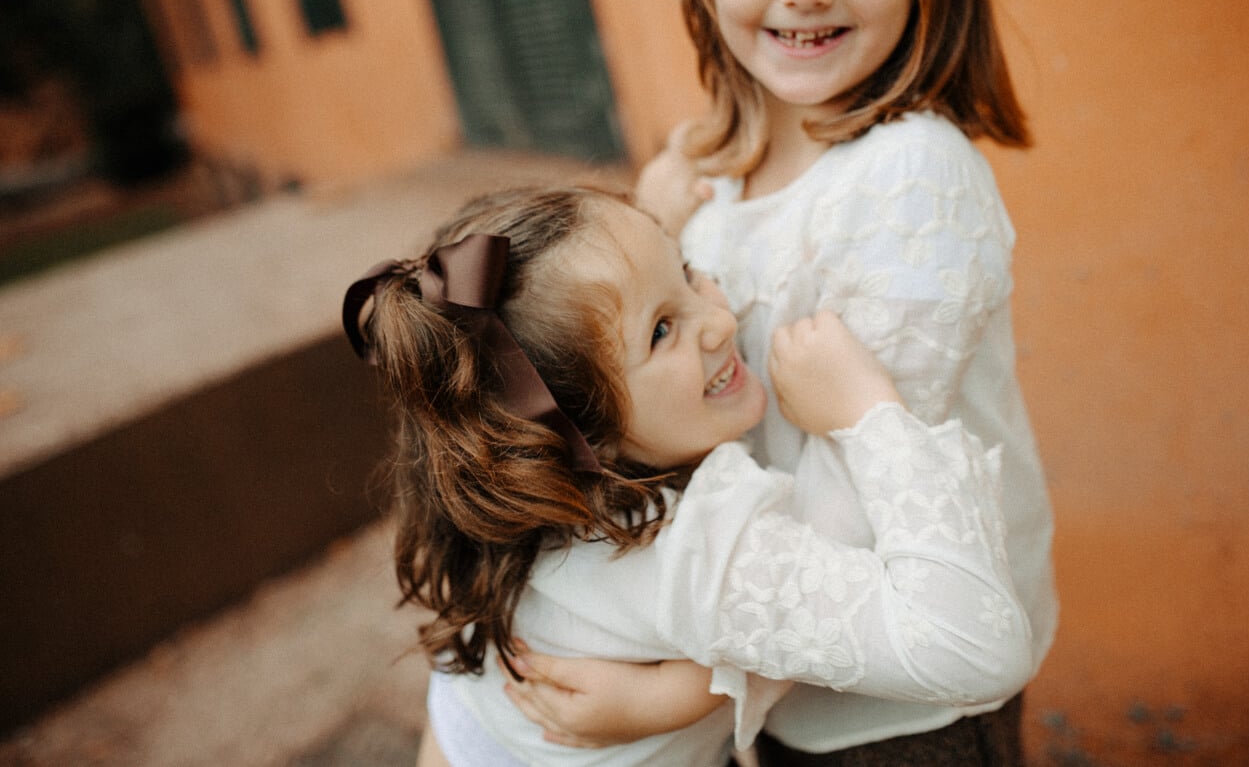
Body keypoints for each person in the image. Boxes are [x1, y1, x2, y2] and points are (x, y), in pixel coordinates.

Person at [503, 0, 1058, 763]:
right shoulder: (710, 166)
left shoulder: (910, 177)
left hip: (902, 706)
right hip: (770, 677)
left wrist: (676, 694)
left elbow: (855, 534)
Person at [343, 185, 1030, 766]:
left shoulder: (504, 485)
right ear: (588, 433)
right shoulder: (698, 548)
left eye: (689, 268)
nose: (720, 317)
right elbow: (977, 646)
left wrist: (688, 689)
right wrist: (871, 415)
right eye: (663, 330)